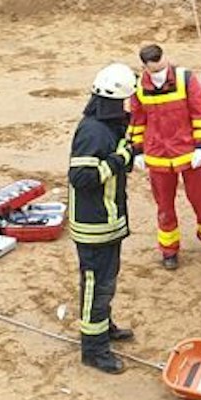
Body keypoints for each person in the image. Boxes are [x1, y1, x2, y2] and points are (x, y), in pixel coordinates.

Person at [68, 63, 140, 374]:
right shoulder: (93, 132)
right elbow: (81, 177)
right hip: (94, 226)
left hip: (108, 221)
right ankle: (93, 349)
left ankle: (102, 326)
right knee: (96, 285)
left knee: (106, 283)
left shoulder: (109, 126)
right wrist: (120, 159)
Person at [130, 43, 201, 269]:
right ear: (145, 68)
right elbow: (136, 121)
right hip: (158, 155)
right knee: (164, 206)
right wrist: (137, 150)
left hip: (189, 152)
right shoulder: (139, 87)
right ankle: (169, 250)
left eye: (162, 68)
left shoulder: (185, 79)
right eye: (154, 70)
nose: (160, 74)